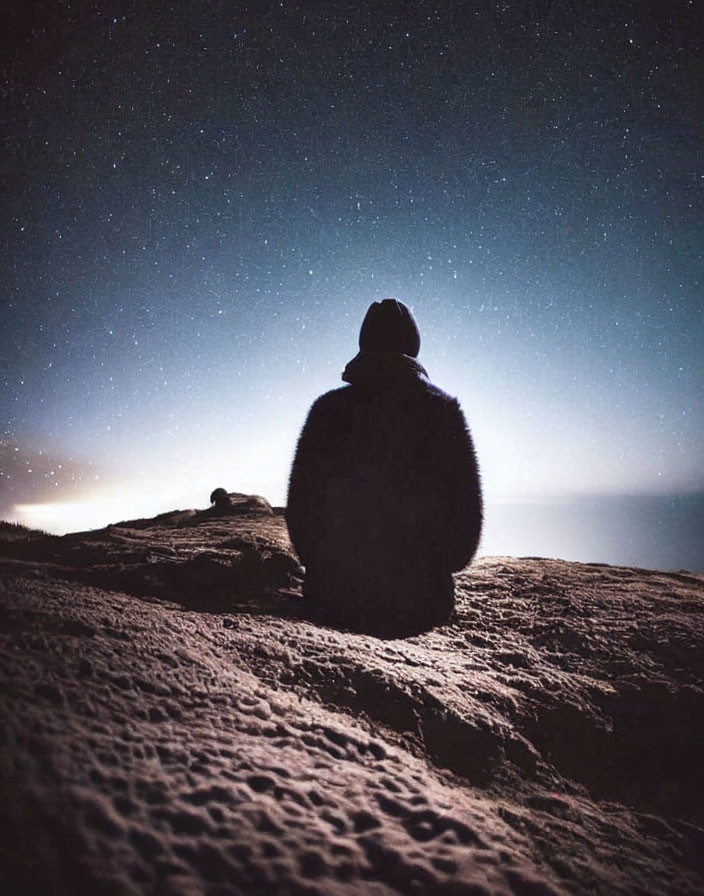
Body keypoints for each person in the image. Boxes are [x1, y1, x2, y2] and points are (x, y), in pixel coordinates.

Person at [286, 299, 482, 638]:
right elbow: (465, 525)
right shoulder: (443, 411)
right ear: (413, 344)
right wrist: (430, 566)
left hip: (332, 596)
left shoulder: (327, 410)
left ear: (364, 343)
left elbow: (302, 510)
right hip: (420, 602)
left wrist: (323, 564)